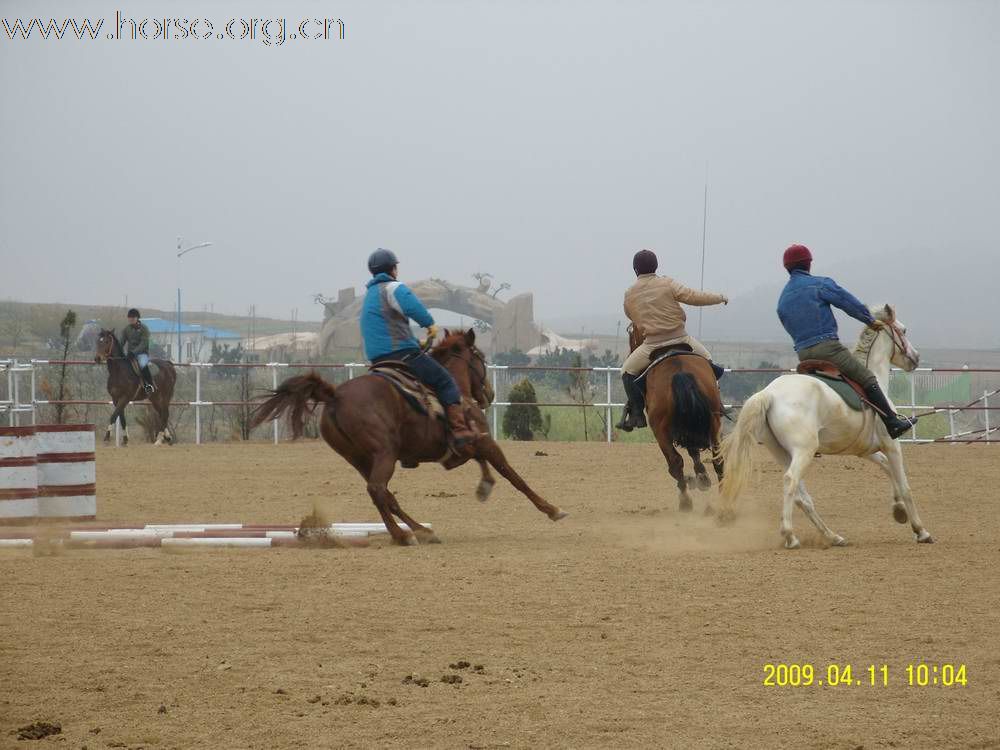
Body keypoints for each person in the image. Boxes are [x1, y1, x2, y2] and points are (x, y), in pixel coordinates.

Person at [776, 244, 917, 439]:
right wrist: (869, 319)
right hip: (828, 349)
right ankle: (892, 422)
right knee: (866, 377)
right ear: (808, 264)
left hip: (803, 354)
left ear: (787, 267)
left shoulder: (782, 299)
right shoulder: (820, 284)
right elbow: (847, 302)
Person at [360, 248, 478, 449]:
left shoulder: (370, 295)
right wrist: (430, 324)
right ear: (393, 269)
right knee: (446, 382)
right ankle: (459, 430)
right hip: (401, 355)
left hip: (377, 360)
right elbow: (413, 306)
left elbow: (390, 328)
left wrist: (417, 343)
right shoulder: (393, 287)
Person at [617, 249, 728, 431]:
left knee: (626, 371)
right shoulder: (667, 283)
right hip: (681, 338)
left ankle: (637, 414)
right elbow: (693, 297)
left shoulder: (629, 294)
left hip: (651, 344)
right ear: (656, 266)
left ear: (635, 269)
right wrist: (719, 298)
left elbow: (632, 317)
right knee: (708, 361)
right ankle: (716, 402)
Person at [122, 308, 155, 393]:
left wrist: (134, 352)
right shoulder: (126, 329)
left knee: (143, 365)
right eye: (129, 318)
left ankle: (149, 385)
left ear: (137, 318)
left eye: (133, 318)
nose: (131, 319)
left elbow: (143, 343)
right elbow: (122, 342)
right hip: (130, 354)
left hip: (142, 353)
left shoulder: (144, 328)